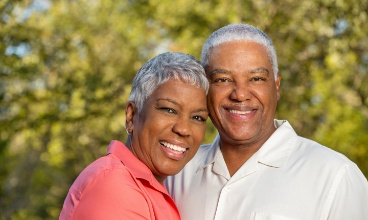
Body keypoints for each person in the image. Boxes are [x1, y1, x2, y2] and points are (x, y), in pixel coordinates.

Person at [165, 24, 368, 220]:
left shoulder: (335, 176)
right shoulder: (177, 171)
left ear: (276, 86)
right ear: (205, 88)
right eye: (223, 79)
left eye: (256, 79)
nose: (240, 94)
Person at [59, 52, 209, 220]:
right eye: (169, 110)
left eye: (197, 118)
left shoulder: (154, 188)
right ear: (131, 115)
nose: (183, 129)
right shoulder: (113, 184)